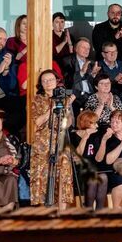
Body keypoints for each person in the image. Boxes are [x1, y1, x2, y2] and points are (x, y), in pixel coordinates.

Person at [29, 70, 75, 208]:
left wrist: (67, 107)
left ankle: (62, 213)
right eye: (44, 81)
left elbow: (69, 123)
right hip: (43, 142)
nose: (48, 83)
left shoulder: (64, 99)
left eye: (50, 79)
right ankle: (46, 212)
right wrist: (52, 108)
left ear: (57, 81)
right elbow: (38, 122)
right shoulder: (37, 99)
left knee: (64, 174)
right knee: (43, 175)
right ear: (41, 84)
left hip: (61, 140)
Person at [70, 110, 108, 207]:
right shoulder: (73, 136)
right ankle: (89, 209)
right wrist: (85, 137)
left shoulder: (96, 136)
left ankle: (99, 211)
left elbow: (99, 159)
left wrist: (103, 141)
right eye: (94, 123)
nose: (97, 126)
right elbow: (76, 157)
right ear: (87, 123)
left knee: (103, 177)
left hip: (93, 169)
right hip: (78, 170)